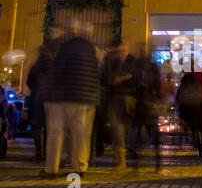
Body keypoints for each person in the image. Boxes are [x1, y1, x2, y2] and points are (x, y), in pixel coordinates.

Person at [39, 20, 100, 178]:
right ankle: (80, 167)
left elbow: (57, 70)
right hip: (82, 97)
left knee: (55, 132)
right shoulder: (89, 48)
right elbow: (95, 73)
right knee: (79, 133)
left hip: (62, 96)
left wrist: (49, 90)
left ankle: (51, 169)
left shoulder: (63, 46)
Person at [102, 40, 137, 171]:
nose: (122, 52)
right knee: (118, 129)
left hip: (128, 100)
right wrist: (121, 79)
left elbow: (136, 79)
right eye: (120, 50)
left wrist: (122, 79)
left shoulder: (132, 62)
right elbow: (104, 78)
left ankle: (124, 155)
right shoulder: (111, 63)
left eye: (124, 50)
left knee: (126, 129)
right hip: (114, 99)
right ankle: (120, 161)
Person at [176, 70, 202, 157]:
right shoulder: (197, 83)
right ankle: (200, 146)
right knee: (198, 127)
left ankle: (190, 135)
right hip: (196, 106)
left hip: (186, 106)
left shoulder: (183, 83)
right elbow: (201, 93)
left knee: (188, 123)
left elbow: (178, 96)